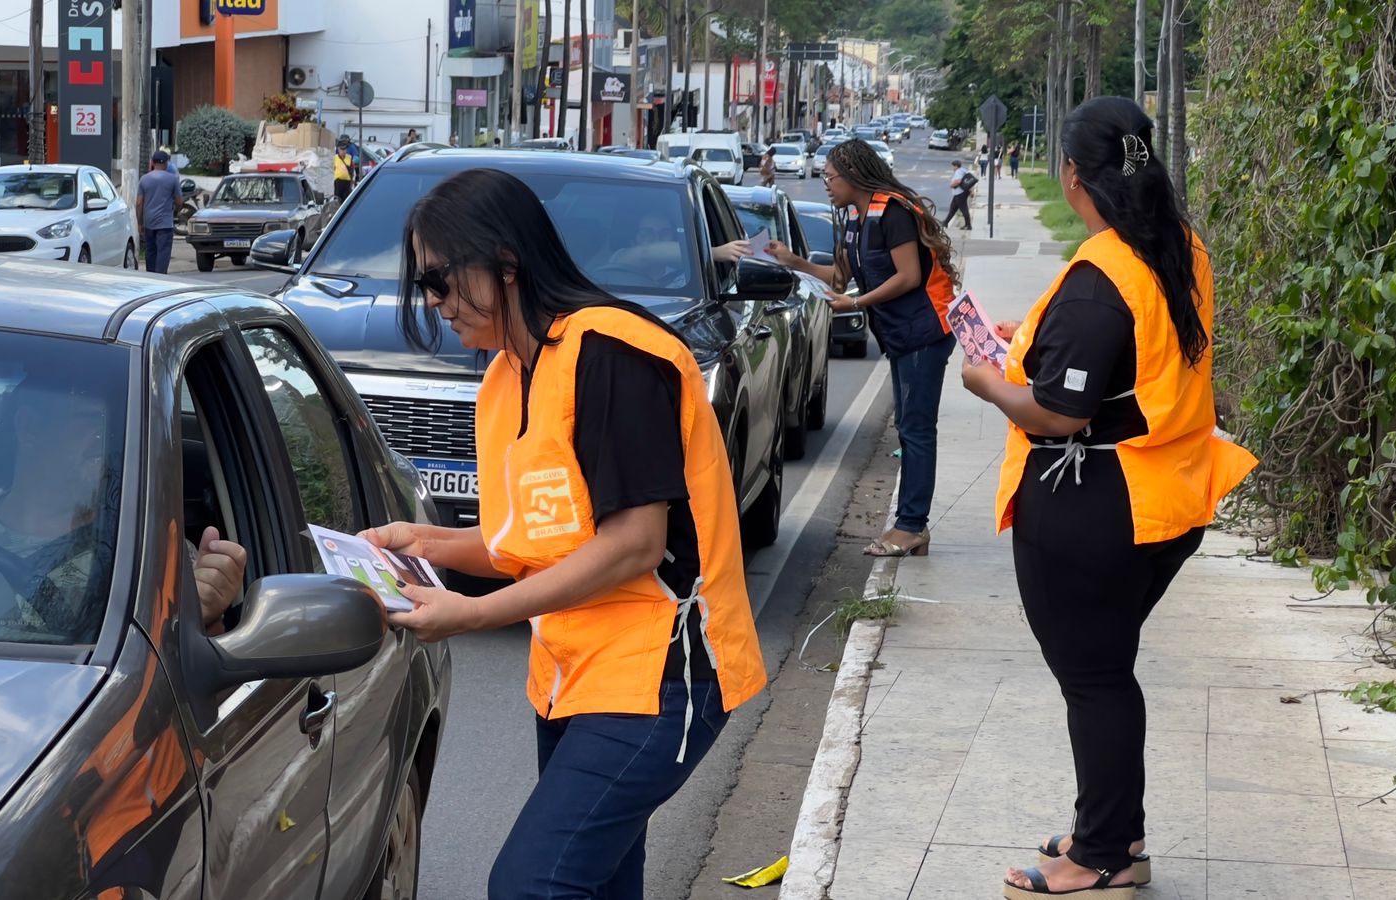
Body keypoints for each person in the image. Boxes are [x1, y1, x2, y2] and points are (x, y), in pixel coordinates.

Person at [363, 168, 766, 899]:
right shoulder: (504, 378)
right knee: (598, 885)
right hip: (572, 678)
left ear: (504, 262)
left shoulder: (612, 352)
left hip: (664, 674)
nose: (433, 301)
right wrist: (417, 545)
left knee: (532, 883)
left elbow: (637, 543)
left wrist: (477, 615)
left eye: (439, 278)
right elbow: (530, 543)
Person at [960, 96, 1257, 899]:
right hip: (1170, 493)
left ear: (1071, 176)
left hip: (1098, 504)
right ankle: (1110, 825)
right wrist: (1038, 334)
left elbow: (1059, 410)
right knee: (1105, 667)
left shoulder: (1102, 276)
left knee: (1094, 676)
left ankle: (1103, 856)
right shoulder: (1175, 248)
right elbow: (1128, 354)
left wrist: (988, 380)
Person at [0, 374, 247, 638]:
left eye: (115, 428)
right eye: (91, 423)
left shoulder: (154, 551)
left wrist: (205, 617)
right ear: (29, 428)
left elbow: (200, 701)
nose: (110, 442)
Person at [766, 139, 960, 558]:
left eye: (830, 176)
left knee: (916, 429)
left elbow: (908, 277)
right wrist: (793, 261)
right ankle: (910, 524)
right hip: (900, 335)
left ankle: (912, 526)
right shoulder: (856, 217)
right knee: (908, 429)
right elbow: (838, 276)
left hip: (925, 332)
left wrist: (855, 303)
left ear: (854, 175)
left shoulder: (892, 213)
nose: (826, 184)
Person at [136, 150, 183, 274]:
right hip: (165, 224)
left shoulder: (144, 179)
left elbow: (139, 203)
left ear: (152, 162)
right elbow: (179, 201)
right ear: (166, 163)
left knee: (150, 251)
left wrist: (140, 223)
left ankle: (151, 277)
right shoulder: (172, 179)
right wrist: (176, 211)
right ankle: (161, 277)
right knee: (163, 252)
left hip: (149, 223)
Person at [944, 159, 973, 230]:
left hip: (960, 194)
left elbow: (959, 181)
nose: (953, 168)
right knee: (953, 208)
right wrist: (971, 191)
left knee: (964, 209)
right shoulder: (963, 170)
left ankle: (968, 225)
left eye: (953, 166)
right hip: (961, 193)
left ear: (956, 166)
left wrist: (951, 185)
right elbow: (967, 182)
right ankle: (945, 222)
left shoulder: (958, 171)